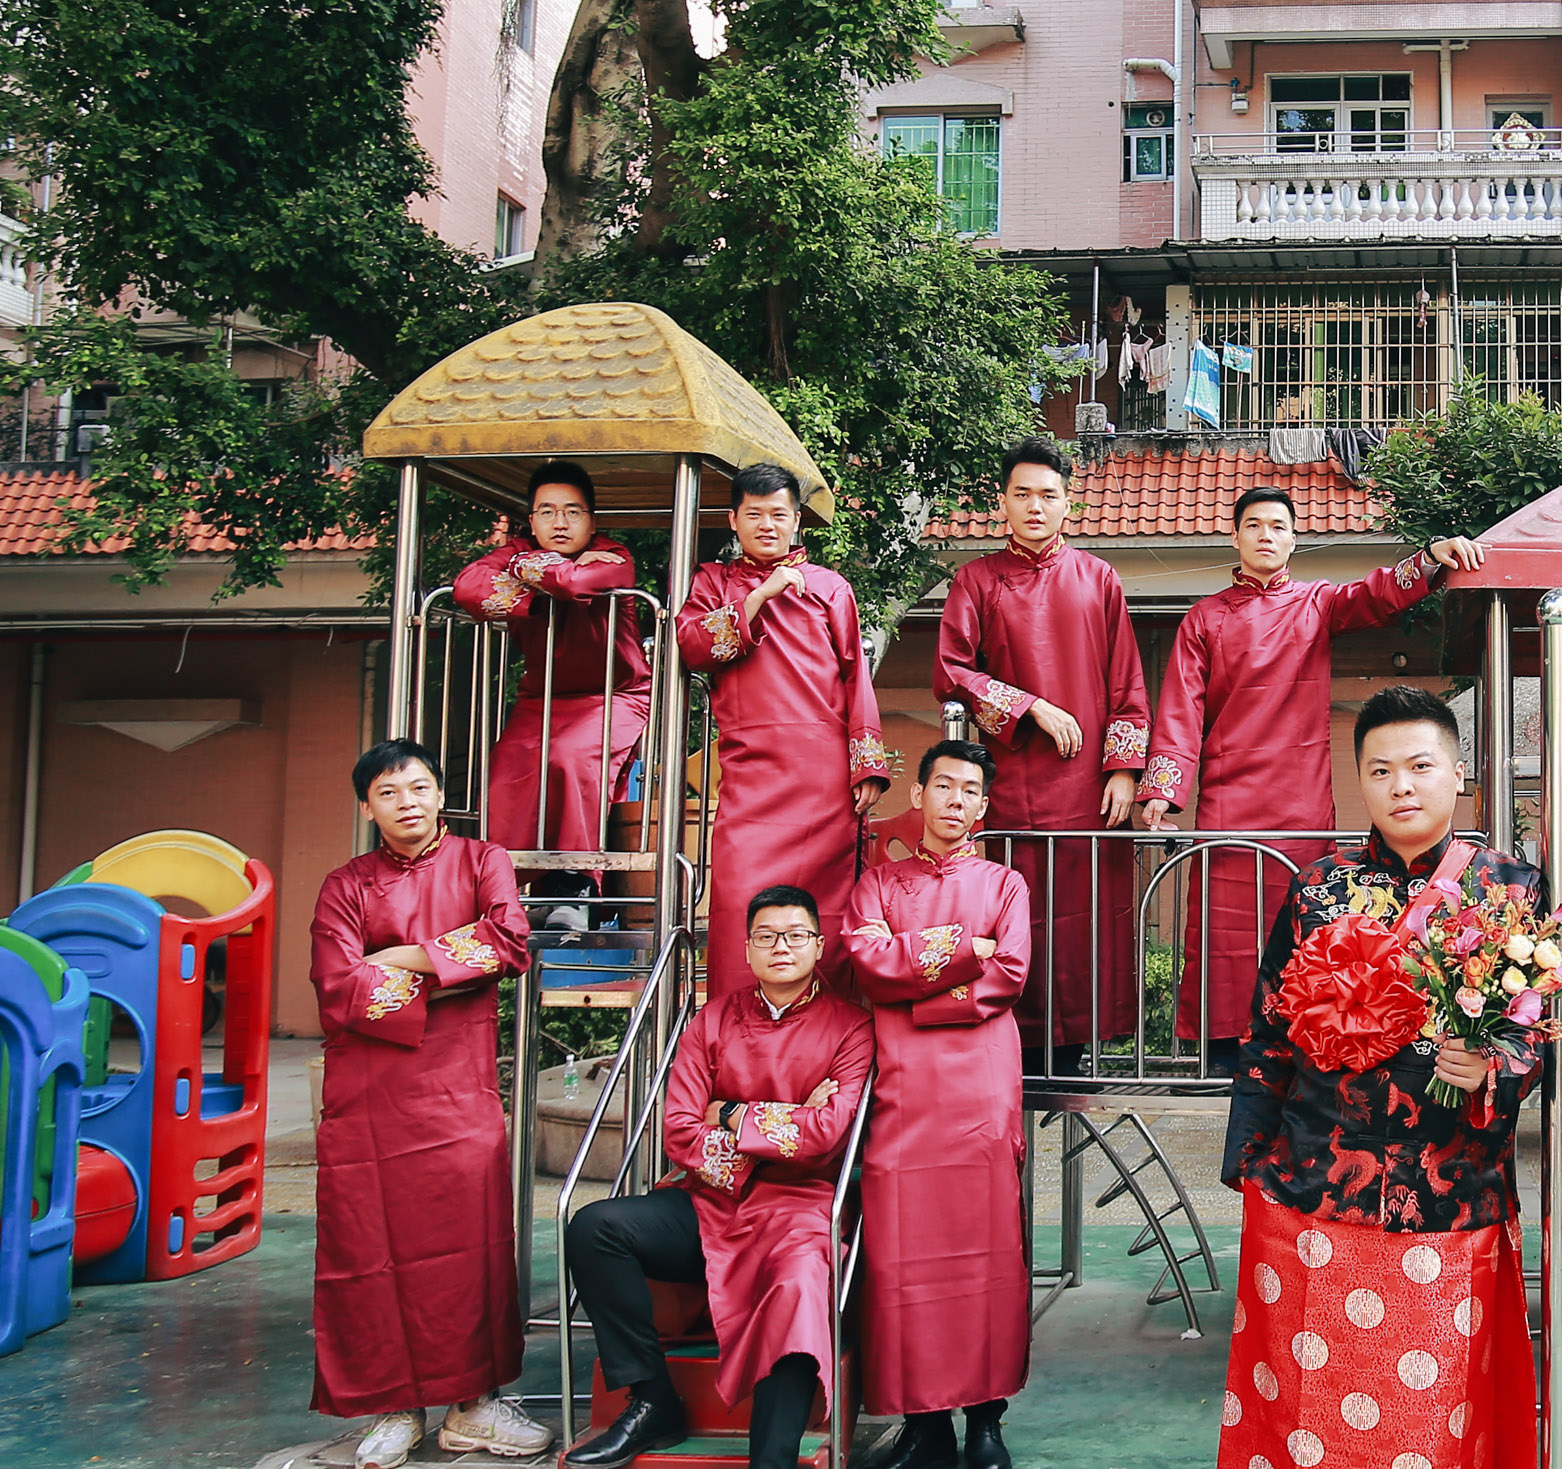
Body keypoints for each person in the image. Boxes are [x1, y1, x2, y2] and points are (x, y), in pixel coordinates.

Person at [1199, 685, 1544, 1469]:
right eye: (1382, 770)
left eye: (1421, 766)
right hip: (1310, 1193)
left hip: (1443, 1203)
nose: (1402, 786)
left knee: (1402, 1437)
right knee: (1287, 1421)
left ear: (1460, 773)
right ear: (1360, 780)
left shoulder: (1504, 888)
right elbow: (1267, 1024)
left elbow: (1535, 1031)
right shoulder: (1319, 885)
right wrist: (1250, 1163)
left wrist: (1494, 1066)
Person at [560, 887, 875, 1469]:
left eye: (796, 935)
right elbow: (679, 1131)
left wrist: (728, 1112)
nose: (782, 948)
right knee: (596, 1227)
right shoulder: (712, 1021)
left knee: (800, 1289)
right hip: (709, 1200)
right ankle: (652, 1398)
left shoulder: (851, 1028)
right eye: (767, 936)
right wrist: (778, 1121)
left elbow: (828, 1136)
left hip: (797, 1208)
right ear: (747, 948)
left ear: (819, 946)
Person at [1136, 489, 1487, 1072]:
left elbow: (1374, 594)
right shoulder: (1204, 618)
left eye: (1278, 526)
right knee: (1222, 934)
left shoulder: (1315, 604)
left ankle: (1308, 1042)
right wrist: (1163, 791)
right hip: (1226, 801)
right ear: (1235, 537)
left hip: (1301, 799)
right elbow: (1180, 710)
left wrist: (1428, 559)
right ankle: (1221, 1054)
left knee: (1308, 922)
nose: (1266, 535)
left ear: (1294, 539)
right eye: (1254, 525)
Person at [307, 740, 543, 1469]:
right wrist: (449, 963)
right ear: (367, 807)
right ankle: (394, 1407)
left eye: (418, 787)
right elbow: (336, 984)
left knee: (470, 1244)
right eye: (388, 792)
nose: (406, 802)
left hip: (458, 1087)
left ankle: (473, 1405)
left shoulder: (482, 861)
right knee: (370, 1248)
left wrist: (399, 957)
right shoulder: (344, 885)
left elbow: (508, 943)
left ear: (441, 795)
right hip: (370, 1095)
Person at [841, 738, 1033, 1469]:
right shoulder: (877, 883)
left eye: (970, 790)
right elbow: (868, 966)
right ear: (918, 795)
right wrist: (962, 947)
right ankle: (923, 1428)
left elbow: (1009, 973)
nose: (957, 800)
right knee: (902, 1253)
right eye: (944, 785)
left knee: (988, 1250)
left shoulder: (1005, 883)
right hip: (904, 1089)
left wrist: (916, 985)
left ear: (984, 805)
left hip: (980, 1087)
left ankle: (985, 1421)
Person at [931, 439, 1150, 1071]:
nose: (1035, 506)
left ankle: (1079, 1058)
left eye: (1048, 495)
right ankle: (1015, 1057)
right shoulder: (976, 580)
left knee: (1087, 920)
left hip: (1089, 792)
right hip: (1014, 790)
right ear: (1002, 501)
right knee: (1019, 914)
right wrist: (1028, 706)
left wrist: (1124, 770)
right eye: (1022, 494)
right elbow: (950, 672)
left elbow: (1127, 682)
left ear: (1067, 503)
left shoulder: (1098, 578)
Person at [675, 462, 891, 1000]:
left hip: (822, 779)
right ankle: (739, 1039)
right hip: (749, 776)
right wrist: (757, 597)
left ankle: (824, 1040)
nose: (767, 525)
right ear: (733, 520)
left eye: (778, 514)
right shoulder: (712, 583)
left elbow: (855, 675)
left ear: (797, 520)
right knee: (738, 905)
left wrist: (866, 764)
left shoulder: (830, 587)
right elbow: (691, 646)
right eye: (754, 514)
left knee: (822, 913)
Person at [451, 459, 654, 928]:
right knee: (506, 773)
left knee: (571, 758)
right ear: (531, 520)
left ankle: (576, 885)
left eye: (572, 512)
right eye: (547, 512)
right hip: (540, 698)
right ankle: (506, 890)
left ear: (592, 521)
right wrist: (541, 568)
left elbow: (578, 583)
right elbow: (467, 588)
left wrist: (525, 573)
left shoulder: (615, 556)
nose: (559, 523)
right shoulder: (520, 552)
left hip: (615, 695)